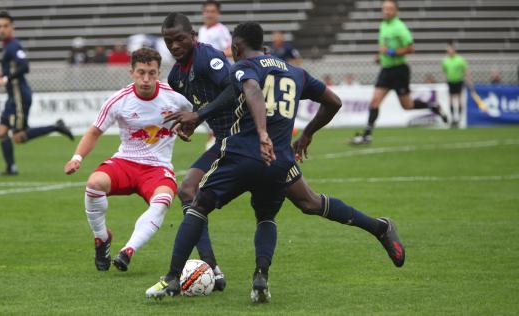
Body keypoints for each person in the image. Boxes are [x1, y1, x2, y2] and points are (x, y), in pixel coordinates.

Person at [147, 21, 405, 303]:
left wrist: (260, 133)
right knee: (304, 204)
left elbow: (252, 90)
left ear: (235, 47)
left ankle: (173, 277)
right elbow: (334, 101)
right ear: (265, 46)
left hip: (244, 151)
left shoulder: (244, 67)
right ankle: (375, 229)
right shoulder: (296, 72)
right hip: (279, 159)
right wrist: (307, 134)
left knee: (198, 204)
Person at [63, 48, 192, 272]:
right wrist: (77, 157)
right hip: (125, 162)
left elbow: (197, 116)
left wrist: (188, 127)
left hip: (157, 168)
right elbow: (95, 131)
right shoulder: (119, 100)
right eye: (141, 72)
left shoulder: (175, 97)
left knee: (163, 199)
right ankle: (101, 238)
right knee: (94, 184)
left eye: (152, 73)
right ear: (131, 72)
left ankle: (128, 250)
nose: (146, 79)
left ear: (159, 72)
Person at [159, 12, 237, 291]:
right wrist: (193, 123)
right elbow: (204, 104)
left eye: (180, 39)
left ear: (193, 37)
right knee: (188, 190)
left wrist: (198, 114)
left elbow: (234, 89)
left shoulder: (208, 57)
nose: (175, 46)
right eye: (169, 41)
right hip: (224, 142)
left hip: (244, 137)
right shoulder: (175, 76)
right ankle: (212, 268)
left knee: (307, 203)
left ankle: (376, 226)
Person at [350, 0, 448, 145]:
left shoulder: (400, 27)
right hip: (386, 70)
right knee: (374, 101)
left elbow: (410, 48)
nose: (386, 11)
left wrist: (390, 52)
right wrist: (380, 56)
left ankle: (433, 106)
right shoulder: (383, 25)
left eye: (389, 9)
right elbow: (383, 46)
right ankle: (367, 135)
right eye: (384, 9)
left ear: (396, 11)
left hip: (399, 70)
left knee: (407, 106)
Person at [0, 11, 73, 176]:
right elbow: (15, 69)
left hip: (19, 96)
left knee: (18, 137)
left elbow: (25, 67)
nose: (2, 29)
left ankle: (56, 127)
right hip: (12, 97)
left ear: (12, 28)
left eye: (5, 26)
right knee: (1, 132)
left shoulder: (13, 45)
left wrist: (6, 79)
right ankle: (11, 168)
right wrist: (2, 76)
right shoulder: (7, 46)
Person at [441, 42, 470, 128]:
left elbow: (466, 70)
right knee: (450, 100)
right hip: (450, 81)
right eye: (447, 50)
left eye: (449, 49)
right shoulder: (445, 60)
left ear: (453, 50)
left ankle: (460, 118)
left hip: (459, 81)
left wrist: (468, 79)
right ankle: (453, 118)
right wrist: (445, 78)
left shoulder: (460, 60)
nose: (448, 51)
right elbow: (444, 70)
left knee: (459, 99)